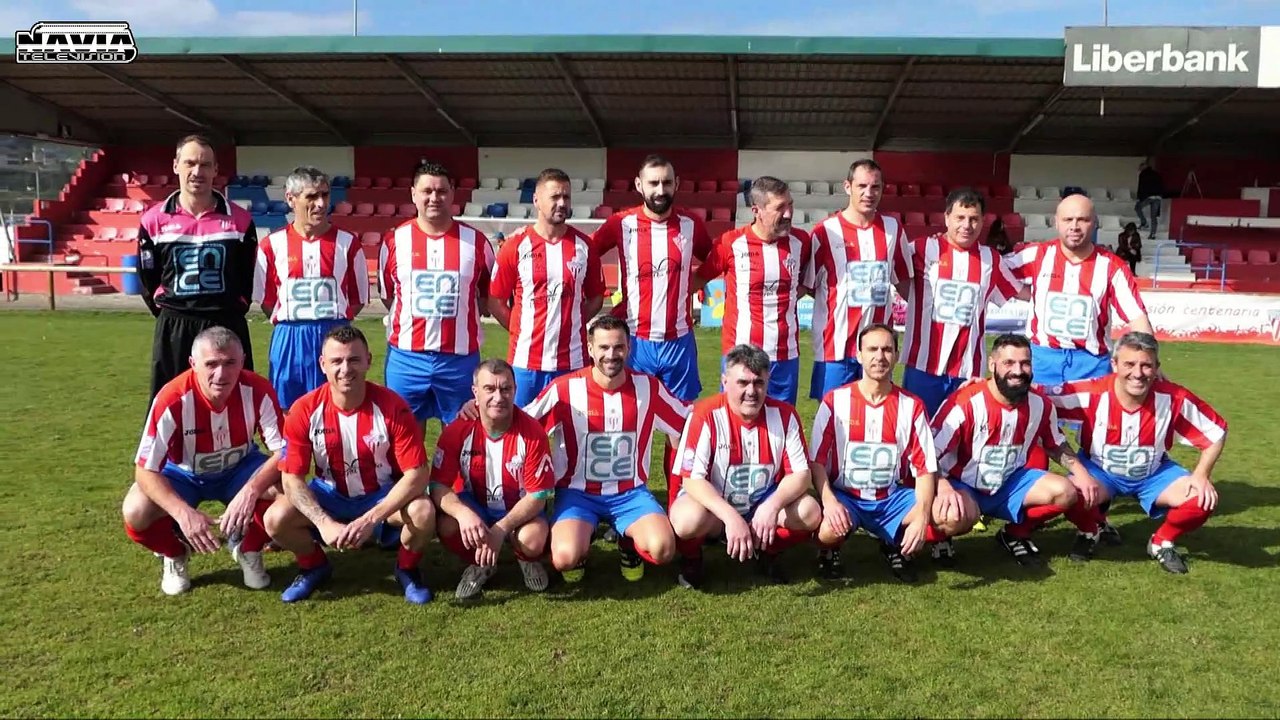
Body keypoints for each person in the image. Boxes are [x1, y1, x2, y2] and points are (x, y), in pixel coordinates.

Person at [1006, 193, 1155, 543]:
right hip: (1043, 359)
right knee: (1032, 433)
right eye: (1068, 220)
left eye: (1083, 220)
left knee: (1100, 438)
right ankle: (1036, 503)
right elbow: (992, 272)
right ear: (1056, 222)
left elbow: (1136, 316)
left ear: (1094, 223)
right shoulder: (1036, 255)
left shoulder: (1111, 266)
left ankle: (1094, 512)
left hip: (1092, 362)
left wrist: (1149, 360)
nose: (1075, 227)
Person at [265, 325, 437, 604]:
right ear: (323, 364)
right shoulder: (304, 409)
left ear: (368, 360)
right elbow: (291, 478)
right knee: (275, 519)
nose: (346, 369)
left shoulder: (393, 406)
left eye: (354, 359)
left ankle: (407, 569)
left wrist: (371, 519)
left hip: (380, 494)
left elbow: (417, 474)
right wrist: (324, 523)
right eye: (337, 361)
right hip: (330, 494)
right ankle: (313, 566)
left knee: (423, 511)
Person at [1045, 332, 1227, 573]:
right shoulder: (1089, 394)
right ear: (1114, 364)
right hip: (1100, 472)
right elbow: (1036, 395)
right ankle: (1091, 529)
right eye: (1129, 364)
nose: (1138, 373)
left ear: (1157, 367)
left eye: (1146, 365)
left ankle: (1162, 542)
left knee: (1202, 499)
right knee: (1068, 493)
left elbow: (1216, 432)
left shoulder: (1174, 398)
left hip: (1154, 474)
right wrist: (982, 385)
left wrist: (1201, 475)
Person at [122, 327, 284, 595]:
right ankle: (175, 553)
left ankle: (248, 549)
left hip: (239, 470)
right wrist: (182, 514)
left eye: (230, 363)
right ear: (193, 364)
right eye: (211, 364)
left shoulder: (258, 389)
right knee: (136, 511)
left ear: (242, 361)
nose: (221, 374)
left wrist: (251, 491)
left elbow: (284, 451)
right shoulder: (172, 398)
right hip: (183, 474)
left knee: (290, 491)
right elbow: (145, 469)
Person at [525, 314, 685, 583]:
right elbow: (523, 425)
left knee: (663, 549)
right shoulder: (565, 389)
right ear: (589, 349)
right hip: (578, 494)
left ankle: (627, 542)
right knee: (565, 558)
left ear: (629, 348)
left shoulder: (648, 387)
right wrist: (477, 410)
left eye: (618, 347)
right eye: (603, 347)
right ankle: (580, 548)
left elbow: (687, 422)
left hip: (630, 494)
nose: (612, 355)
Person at [931, 333, 1103, 566]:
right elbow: (927, 452)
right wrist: (943, 487)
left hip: (1009, 483)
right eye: (1009, 363)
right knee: (951, 517)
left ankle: (1015, 532)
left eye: (1025, 363)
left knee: (1067, 491)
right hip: (963, 483)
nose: (1018, 370)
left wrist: (1081, 473)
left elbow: (1056, 443)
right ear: (992, 365)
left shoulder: (1040, 403)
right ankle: (924, 538)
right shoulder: (965, 402)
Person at [667, 344, 820, 589]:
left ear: (768, 381)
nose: (752, 391)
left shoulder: (785, 415)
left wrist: (772, 506)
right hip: (716, 507)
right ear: (725, 382)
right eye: (743, 383)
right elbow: (691, 479)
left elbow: (801, 475)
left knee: (810, 512)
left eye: (758, 383)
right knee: (686, 520)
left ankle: (768, 551)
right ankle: (692, 559)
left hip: (760, 502)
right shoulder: (705, 414)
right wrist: (730, 517)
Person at [811, 324, 956, 582]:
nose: (880, 356)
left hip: (891, 498)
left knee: (949, 517)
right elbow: (817, 463)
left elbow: (924, 469)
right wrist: (830, 502)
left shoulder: (912, 406)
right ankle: (829, 551)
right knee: (826, 532)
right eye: (872, 349)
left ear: (897, 356)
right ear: (859, 355)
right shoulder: (834, 401)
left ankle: (893, 541)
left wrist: (922, 517)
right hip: (848, 497)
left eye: (887, 349)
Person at [136, 134, 258, 399]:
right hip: (176, 325)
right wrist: (171, 311)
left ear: (215, 169)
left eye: (205, 165)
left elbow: (246, 275)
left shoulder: (240, 220)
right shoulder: (153, 220)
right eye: (190, 163)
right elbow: (148, 277)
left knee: (235, 401)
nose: (197, 171)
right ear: (176, 165)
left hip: (225, 321)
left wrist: (232, 307)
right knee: (170, 404)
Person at [380, 161, 495, 431]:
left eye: (442, 191)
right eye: (427, 191)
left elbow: (486, 296)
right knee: (403, 438)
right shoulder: (394, 241)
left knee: (462, 438)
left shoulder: (476, 242)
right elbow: (389, 296)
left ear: (452, 193)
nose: (434, 197)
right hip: (406, 359)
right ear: (413, 194)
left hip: (459, 362)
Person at [590, 154, 713, 404]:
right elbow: (583, 251)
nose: (660, 190)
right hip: (634, 340)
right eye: (653, 183)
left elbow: (715, 260)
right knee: (632, 417)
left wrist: (691, 285)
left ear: (676, 184)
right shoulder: (621, 223)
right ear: (639, 185)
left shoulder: (691, 224)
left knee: (681, 423)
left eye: (666, 183)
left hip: (679, 341)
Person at [430, 359, 556, 600]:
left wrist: (500, 530)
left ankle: (525, 559)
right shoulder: (457, 429)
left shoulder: (532, 433)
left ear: (515, 391)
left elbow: (538, 497)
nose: (498, 397)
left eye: (505, 389)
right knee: (446, 525)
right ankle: (482, 563)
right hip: (476, 505)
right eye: (489, 389)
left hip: (517, 509)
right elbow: (437, 486)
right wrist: (463, 514)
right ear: (475, 393)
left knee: (533, 538)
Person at [901, 188, 1025, 419]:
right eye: (960, 217)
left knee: (964, 440)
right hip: (922, 366)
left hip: (968, 370)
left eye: (974, 219)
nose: (967, 225)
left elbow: (1022, 292)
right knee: (918, 434)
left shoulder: (992, 260)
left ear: (982, 221)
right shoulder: (920, 249)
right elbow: (892, 272)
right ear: (946, 217)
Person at [252, 166, 368, 409]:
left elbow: (356, 300)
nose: (320, 203)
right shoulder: (271, 245)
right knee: (288, 409)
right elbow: (266, 301)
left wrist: (331, 326)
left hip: (334, 333)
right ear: (291, 199)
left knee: (337, 407)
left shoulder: (348, 244)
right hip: (290, 337)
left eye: (324, 195)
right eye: (311, 196)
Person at [488, 168, 605, 408]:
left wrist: (571, 323)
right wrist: (521, 331)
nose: (562, 203)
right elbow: (495, 301)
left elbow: (595, 298)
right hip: (525, 364)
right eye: (555, 197)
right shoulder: (515, 246)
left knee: (573, 436)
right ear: (536, 200)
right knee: (522, 436)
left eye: (566, 197)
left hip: (573, 362)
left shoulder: (584, 247)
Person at [694, 176, 810, 405]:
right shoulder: (731, 243)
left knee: (780, 428)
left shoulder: (801, 242)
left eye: (790, 205)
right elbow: (697, 279)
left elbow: (805, 285)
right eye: (779, 208)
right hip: (741, 356)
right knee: (736, 424)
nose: (788, 214)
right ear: (756, 210)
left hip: (785, 356)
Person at [804, 158, 913, 400]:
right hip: (835, 348)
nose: (868, 193)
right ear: (847, 187)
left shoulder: (893, 229)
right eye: (862, 186)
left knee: (876, 414)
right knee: (833, 421)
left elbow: (903, 281)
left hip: (878, 349)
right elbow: (809, 286)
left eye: (875, 187)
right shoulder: (825, 231)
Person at [1136, 160, 1163, 240]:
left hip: (1149, 196)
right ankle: (1153, 234)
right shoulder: (1156, 174)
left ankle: (1144, 223)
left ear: (1143, 166)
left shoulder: (1143, 174)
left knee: (1138, 207)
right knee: (1153, 216)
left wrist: (1140, 198)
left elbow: (1141, 186)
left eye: (1140, 167)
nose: (1139, 169)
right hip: (1158, 196)